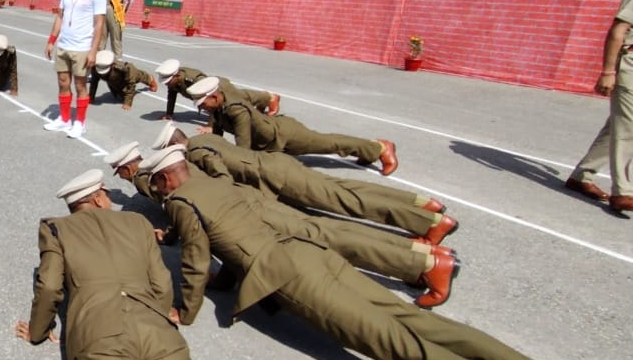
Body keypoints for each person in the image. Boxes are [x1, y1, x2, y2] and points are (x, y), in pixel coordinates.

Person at [142, 144, 633, 360]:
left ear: (165, 179)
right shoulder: (217, 181)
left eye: (156, 184)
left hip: (298, 280)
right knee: (431, 328)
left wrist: (184, 311)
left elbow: (197, 260)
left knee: (415, 356)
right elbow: (245, 231)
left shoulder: (182, 202)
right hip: (316, 254)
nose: (160, 192)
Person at [14, 169, 241, 360]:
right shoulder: (137, 223)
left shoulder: (55, 228)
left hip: (99, 336)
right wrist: (159, 316)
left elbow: (51, 285)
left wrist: (38, 331)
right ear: (98, 197)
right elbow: (161, 283)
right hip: (157, 331)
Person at [159, 121, 456, 242]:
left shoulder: (196, 153)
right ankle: (422, 205)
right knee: (348, 190)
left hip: (277, 176)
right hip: (278, 164)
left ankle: (428, 223)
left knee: (347, 201)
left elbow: (221, 176)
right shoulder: (205, 135)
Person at [192, 76, 398, 175]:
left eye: (203, 104)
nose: (202, 109)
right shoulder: (219, 104)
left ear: (216, 96)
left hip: (284, 135)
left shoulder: (235, 109)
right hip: (268, 141)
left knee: (328, 144)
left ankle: (379, 147)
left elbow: (243, 151)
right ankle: (368, 150)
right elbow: (218, 132)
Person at [567, 0, 633, 213]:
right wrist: (608, 72)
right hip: (630, 65)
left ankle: (581, 175)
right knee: (629, 128)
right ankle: (624, 192)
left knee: (617, 125)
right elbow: (618, 30)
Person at [42, 0, 106, 139]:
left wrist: (93, 51)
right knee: (63, 83)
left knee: (80, 86)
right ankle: (64, 119)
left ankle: (80, 123)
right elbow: (60, 17)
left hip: (82, 48)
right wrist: (51, 41)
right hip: (64, 45)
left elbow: (99, 24)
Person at [155, 58, 277, 120]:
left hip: (220, 87)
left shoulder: (193, 79)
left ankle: (269, 97)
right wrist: (169, 114)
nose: (166, 84)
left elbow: (212, 103)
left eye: (168, 81)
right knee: (240, 102)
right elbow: (171, 96)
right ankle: (264, 99)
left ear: (176, 76)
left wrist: (210, 125)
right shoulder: (174, 83)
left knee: (240, 99)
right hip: (213, 91)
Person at [89, 50, 156, 110]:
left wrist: (128, 103)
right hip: (114, 80)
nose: (102, 74)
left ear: (112, 65)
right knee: (121, 95)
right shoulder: (95, 68)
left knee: (138, 76)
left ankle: (150, 79)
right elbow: (94, 83)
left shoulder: (123, 67)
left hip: (128, 75)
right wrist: (91, 97)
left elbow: (131, 84)